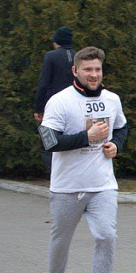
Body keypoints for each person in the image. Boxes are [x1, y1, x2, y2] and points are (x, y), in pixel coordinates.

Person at [38, 46, 128, 273]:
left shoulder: (112, 99)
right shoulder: (59, 101)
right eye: (87, 69)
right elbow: (49, 141)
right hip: (67, 188)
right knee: (60, 242)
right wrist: (86, 137)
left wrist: (116, 145)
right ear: (75, 71)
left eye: (97, 69)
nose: (93, 74)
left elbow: (122, 127)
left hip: (102, 185)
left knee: (106, 235)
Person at [34, 26, 77, 173]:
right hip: (74, 106)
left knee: (47, 142)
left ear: (57, 41)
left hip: (53, 107)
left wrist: (38, 108)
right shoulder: (77, 56)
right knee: (70, 142)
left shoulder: (51, 56)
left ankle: (56, 174)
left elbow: (43, 84)